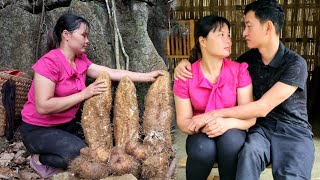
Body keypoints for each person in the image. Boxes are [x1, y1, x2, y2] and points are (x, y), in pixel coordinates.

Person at [174, 0, 315, 179]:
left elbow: (262, 107)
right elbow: (212, 62)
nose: (243, 33)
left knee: (292, 174)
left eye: (248, 26)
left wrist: (213, 115)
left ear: (268, 27)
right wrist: (185, 63)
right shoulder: (246, 61)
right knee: (246, 159)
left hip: (293, 131)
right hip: (261, 130)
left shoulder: (295, 64)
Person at [20, 13, 164, 178]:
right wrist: (84, 94)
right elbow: (43, 106)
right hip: (38, 129)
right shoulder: (49, 63)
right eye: (83, 35)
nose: (87, 40)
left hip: (66, 126)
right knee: (79, 154)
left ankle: (58, 151)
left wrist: (147, 76)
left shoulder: (80, 61)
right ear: (66, 35)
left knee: (99, 149)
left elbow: (112, 72)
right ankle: (38, 159)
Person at [173, 15, 255, 180]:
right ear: (202, 41)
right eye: (221, 35)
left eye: (229, 35)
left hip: (233, 129)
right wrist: (206, 126)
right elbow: (183, 121)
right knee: (202, 150)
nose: (228, 40)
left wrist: (226, 123)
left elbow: (250, 116)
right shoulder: (186, 75)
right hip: (199, 132)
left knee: (231, 143)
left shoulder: (239, 71)